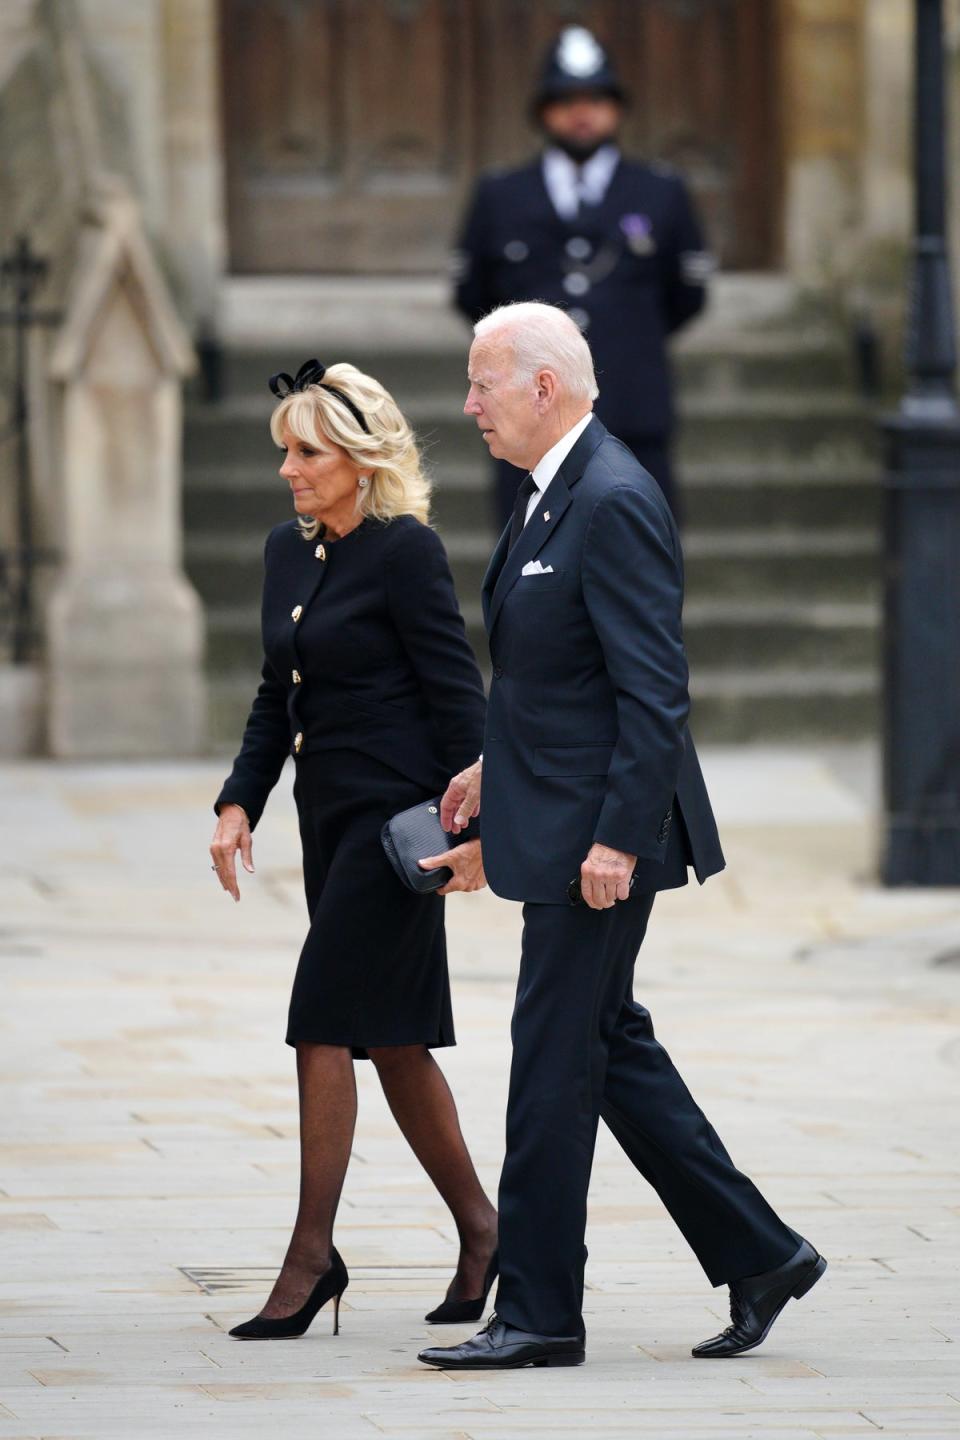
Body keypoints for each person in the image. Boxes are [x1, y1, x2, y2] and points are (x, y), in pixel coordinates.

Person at [417, 303, 826, 1372]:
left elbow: (654, 696)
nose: (469, 407)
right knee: (608, 1047)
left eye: (483, 385)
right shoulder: (554, 493)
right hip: (556, 812)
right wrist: (490, 770)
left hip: (597, 839)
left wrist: (618, 844)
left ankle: (543, 1313)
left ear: (542, 387)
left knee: (552, 1066)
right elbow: (556, 681)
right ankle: (762, 1251)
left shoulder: (614, 498)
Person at [210, 358, 498, 1340]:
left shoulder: (405, 552)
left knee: (321, 1019)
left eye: (307, 453)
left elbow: (460, 696)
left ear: (360, 460)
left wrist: (478, 829)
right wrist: (238, 802)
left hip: (397, 832)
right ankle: (482, 1232)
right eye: (284, 451)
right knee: (398, 1041)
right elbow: (273, 693)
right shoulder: (285, 554)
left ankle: (310, 1259)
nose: (288, 468)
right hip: (328, 827)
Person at [452, 25, 711, 528]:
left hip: (632, 411)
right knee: (528, 579)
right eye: (565, 99)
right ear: (542, 111)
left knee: (637, 565)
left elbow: (687, 297)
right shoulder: (499, 195)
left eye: (596, 98)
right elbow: (473, 295)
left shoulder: (662, 192)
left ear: (617, 107)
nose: (581, 111)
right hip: (528, 421)